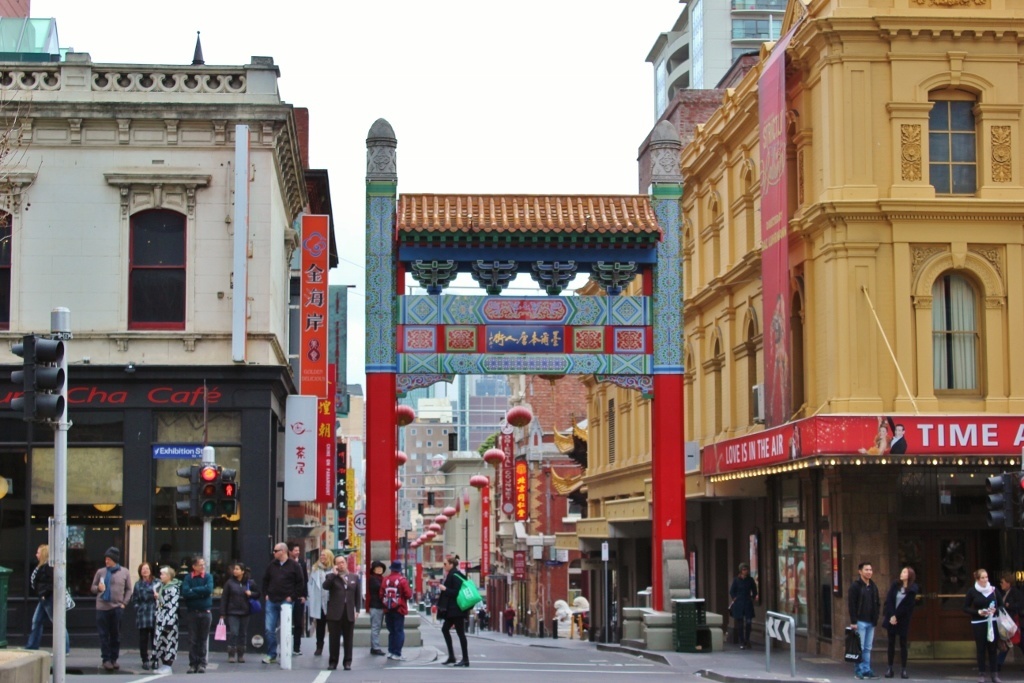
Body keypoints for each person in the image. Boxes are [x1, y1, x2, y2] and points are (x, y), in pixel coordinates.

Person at [261, 542, 306, 664]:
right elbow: (265, 580)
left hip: (286, 601)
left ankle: (285, 652)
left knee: (285, 628)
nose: (274, 553)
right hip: (272, 600)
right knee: (269, 629)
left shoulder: (294, 566)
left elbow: (300, 583)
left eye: (276, 551)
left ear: (283, 551)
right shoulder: (272, 565)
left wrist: (292, 597)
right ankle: (272, 654)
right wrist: (266, 594)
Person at [91, 546, 133, 671]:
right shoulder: (101, 572)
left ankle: (114, 658)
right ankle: (106, 659)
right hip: (102, 608)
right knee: (103, 635)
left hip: (117, 607)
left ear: (114, 559)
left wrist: (124, 603)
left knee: (115, 635)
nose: (106, 561)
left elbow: (129, 589)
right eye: (105, 559)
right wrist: (98, 588)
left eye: (108, 559)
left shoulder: (124, 572)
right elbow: (92, 588)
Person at [26, 544, 70, 653]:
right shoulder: (42, 566)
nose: (36, 555)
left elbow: (53, 582)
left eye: (38, 553)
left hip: (48, 598)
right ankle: (32, 646)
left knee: (58, 622)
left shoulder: (48, 567)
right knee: (37, 621)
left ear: (43, 554)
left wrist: (44, 594)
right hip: (44, 598)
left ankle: (64, 649)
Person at [323, 554, 361, 671]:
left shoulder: (354, 577)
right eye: (338, 563)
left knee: (348, 639)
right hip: (335, 613)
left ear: (346, 563)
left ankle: (347, 662)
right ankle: (333, 662)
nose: (341, 565)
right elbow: (325, 586)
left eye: (342, 562)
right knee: (334, 639)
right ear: (335, 565)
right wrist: (333, 575)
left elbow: (357, 595)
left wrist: (357, 610)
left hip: (348, 612)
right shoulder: (331, 577)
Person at [965, 568, 1001, 683]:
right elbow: (965, 608)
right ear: (977, 579)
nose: (985, 580)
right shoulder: (972, 591)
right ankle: (981, 674)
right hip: (978, 623)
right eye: (983, 578)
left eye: (986, 577)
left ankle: (994, 675)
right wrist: (978, 612)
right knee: (981, 648)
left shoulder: (993, 590)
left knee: (993, 648)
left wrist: (995, 610)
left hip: (992, 621)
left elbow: (1001, 606)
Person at [882, 566, 919, 679]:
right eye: (902, 572)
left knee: (903, 644)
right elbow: (889, 600)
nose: (901, 574)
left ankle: (903, 669)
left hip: (903, 619)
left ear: (909, 575)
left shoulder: (913, 589)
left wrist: (896, 616)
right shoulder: (895, 585)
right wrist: (892, 615)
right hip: (891, 618)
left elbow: (908, 606)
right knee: (891, 643)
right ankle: (890, 668)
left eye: (904, 572)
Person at [179, 555, 213, 674]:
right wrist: (201, 592)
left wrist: (193, 590)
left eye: (204, 564)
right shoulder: (188, 578)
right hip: (192, 612)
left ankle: (202, 664)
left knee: (203, 639)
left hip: (205, 612)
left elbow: (208, 590)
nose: (203, 567)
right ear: (194, 566)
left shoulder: (208, 577)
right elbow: (185, 593)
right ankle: (193, 664)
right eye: (200, 565)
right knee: (192, 640)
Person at [848, 561, 881, 680]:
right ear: (860, 571)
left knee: (867, 648)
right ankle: (858, 670)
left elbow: (877, 603)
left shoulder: (873, 586)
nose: (869, 572)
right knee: (860, 647)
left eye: (870, 570)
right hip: (860, 621)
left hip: (871, 621)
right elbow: (851, 604)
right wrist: (853, 621)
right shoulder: (855, 586)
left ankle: (867, 670)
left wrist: (876, 617)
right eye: (866, 570)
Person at [222, 562, 258, 663]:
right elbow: (224, 598)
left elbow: (258, 594)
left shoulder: (250, 582)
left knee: (243, 633)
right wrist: (222, 613)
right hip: (233, 611)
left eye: (237, 569)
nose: (235, 571)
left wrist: (251, 593)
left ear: (242, 571)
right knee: (234, 632)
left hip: (245, 611)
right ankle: (231, 653)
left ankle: (241, 654)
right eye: (234, 569)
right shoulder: (229, 583)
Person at [438, 554, 469, 667]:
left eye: (445, 564)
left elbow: (456, 592)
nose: (444, 566)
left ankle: (465, 659)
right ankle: (452, 656)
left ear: (451, 564)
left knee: (460, 633)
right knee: (445, 629)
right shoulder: (452, 574)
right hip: (452, 611)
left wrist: (445, 589)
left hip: (456, 610)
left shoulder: (454, 575)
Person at [382, 560, 413, 661]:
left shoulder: (385, 579)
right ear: (399, 569)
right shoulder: (402, 580)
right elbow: (408, 594)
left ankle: (391, 651)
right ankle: (397, 653)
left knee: (391, 631)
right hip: (399, 609)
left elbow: (381, 594)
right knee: (399, 631)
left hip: (388, 609)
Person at [153, 566, 181, 675]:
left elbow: (172, 605)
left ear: (169, 576)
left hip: (169, 619)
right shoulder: (161, 586)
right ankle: (163, 664)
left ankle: (168, 665)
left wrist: (169, 622)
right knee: (161, 641)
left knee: (169, 641)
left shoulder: (173, 588)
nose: (161, 576)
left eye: (163, 574)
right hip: (160, 618)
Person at [306, 549, 334, 657]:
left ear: (329, 557)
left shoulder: (333, 570)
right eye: (321, 555)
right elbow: (310, 584)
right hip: (319, 602)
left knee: (332, 627)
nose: (322, 557)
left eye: (324, 555)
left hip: (331, 602)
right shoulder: (315, 569)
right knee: (320, 626)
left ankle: (333, 648)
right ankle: (319, 647)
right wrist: (310, 597)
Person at [130, 562, 158, 670]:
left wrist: (157, 598)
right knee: (143, 639)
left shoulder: (157, 582)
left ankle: (155, 659)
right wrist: (138, 609)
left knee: (155, 639)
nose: (145, 571)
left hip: (154, 613)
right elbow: (135, 599)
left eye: (147, 569)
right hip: (143, 615)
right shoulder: (138, 584)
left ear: (150, 570)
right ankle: (145, 659)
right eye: (143, 569)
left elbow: (162, 596)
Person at [995, 572, 1022, 676]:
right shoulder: (1004, 593)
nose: (1001, 584)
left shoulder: (1015, 592)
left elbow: (1020, 605)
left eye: (1002, 582)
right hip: (1008, 622)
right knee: (1009, 642)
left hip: (1014, 622)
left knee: (1012, 642)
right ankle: (998, 664)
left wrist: (1008, 605)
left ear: (1008, 583)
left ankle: (998, 664)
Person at [729, 562, 758, 649]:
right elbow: (732, 591)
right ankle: (742, 641)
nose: (746, 571)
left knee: (748, 622)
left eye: (746, 569)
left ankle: (747, 639)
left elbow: (754, 590)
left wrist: (752, 598)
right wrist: (734, 598)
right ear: (741, 571)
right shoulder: (736, 580)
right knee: (740, 624)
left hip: (748, 603)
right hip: (739, 604)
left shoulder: (750, 580)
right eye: (744, 569)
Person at [289, 543, 309, 656]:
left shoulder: (302, 563)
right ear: (290, 551)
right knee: (285, 622)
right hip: (287, 597)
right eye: (295, 550)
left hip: (299, 597)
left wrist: (304, 595)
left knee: (298, 623)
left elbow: (305, 580)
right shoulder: (285, 563)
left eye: (298, 550)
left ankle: (296, 647)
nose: (298, 552)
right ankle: (285, 647)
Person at [367, 560, 387, 656]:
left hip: (380, 606)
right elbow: (380, 588)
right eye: (377, 568)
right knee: (375, 627)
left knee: (377, 627)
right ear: (373, 570)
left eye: (381, 568)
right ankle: (375, 647)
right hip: (376, 606)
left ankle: (374, 646)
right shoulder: (373, 579)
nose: (379, 569)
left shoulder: (381, 578)